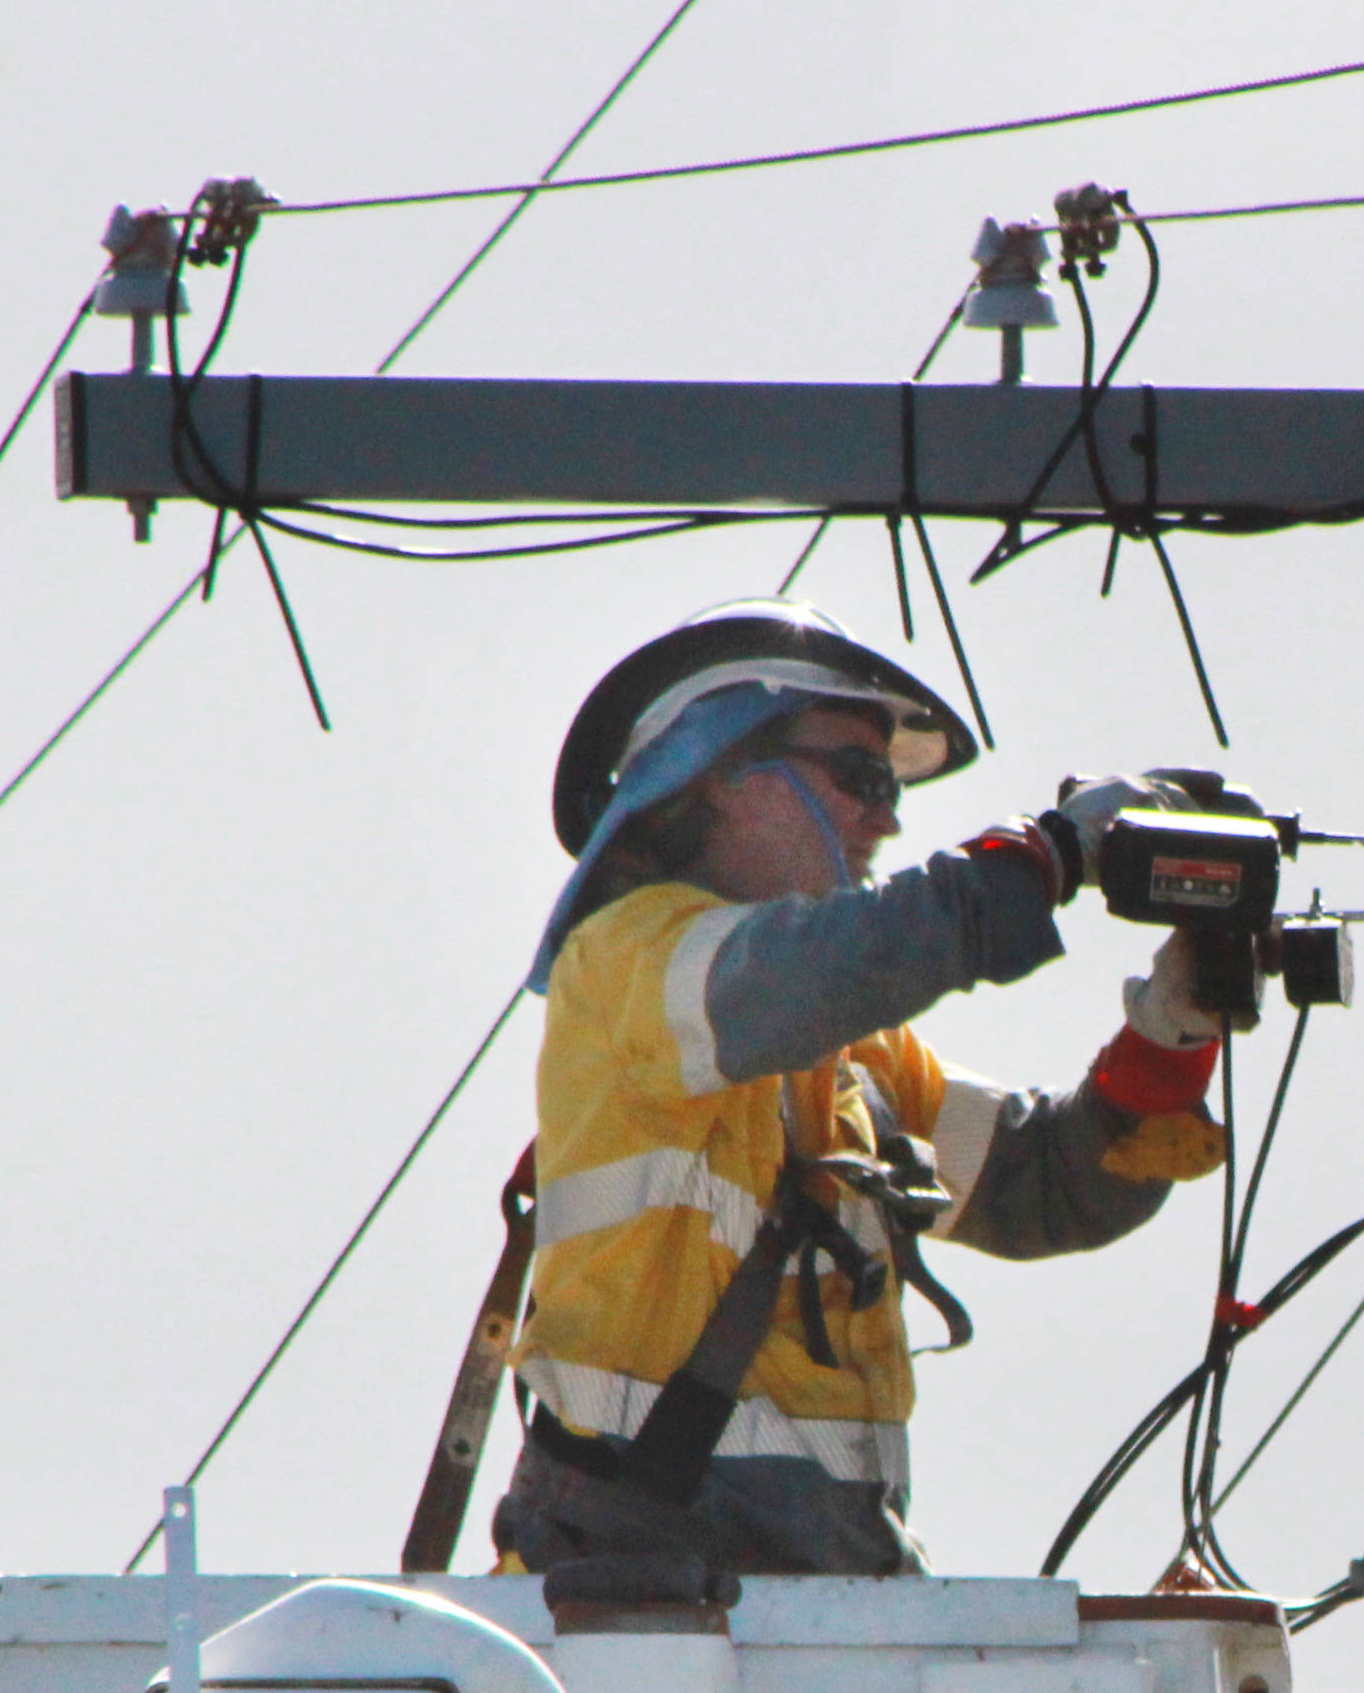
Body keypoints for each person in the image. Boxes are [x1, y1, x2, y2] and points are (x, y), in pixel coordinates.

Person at [494, 605, 1248, 1582]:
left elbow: (1048, 1183)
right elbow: (827, 966)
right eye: (861, 778)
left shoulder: (854, 1061)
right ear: (719, 774)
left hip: (822, 1598)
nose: (886, 818)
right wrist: (1047, 853)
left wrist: (1171, 1034)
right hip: (623, 1607)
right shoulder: (632, 960)